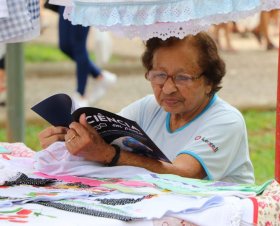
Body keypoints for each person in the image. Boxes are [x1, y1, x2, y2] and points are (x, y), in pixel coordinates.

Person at [38, 32, 254, 184]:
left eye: (182, 77)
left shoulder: (226, 121)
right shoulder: (148, 107)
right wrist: (68, 140)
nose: (168, 88)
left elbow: (185, 173)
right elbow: (101, 142)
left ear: (209, 82)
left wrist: (109, 154)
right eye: (159, 75)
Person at [57, 6, 117, 107]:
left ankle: (80, 94)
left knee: (78, 46)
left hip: (83, 4)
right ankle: (99, 75)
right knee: (65, 46)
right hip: (65, 3)